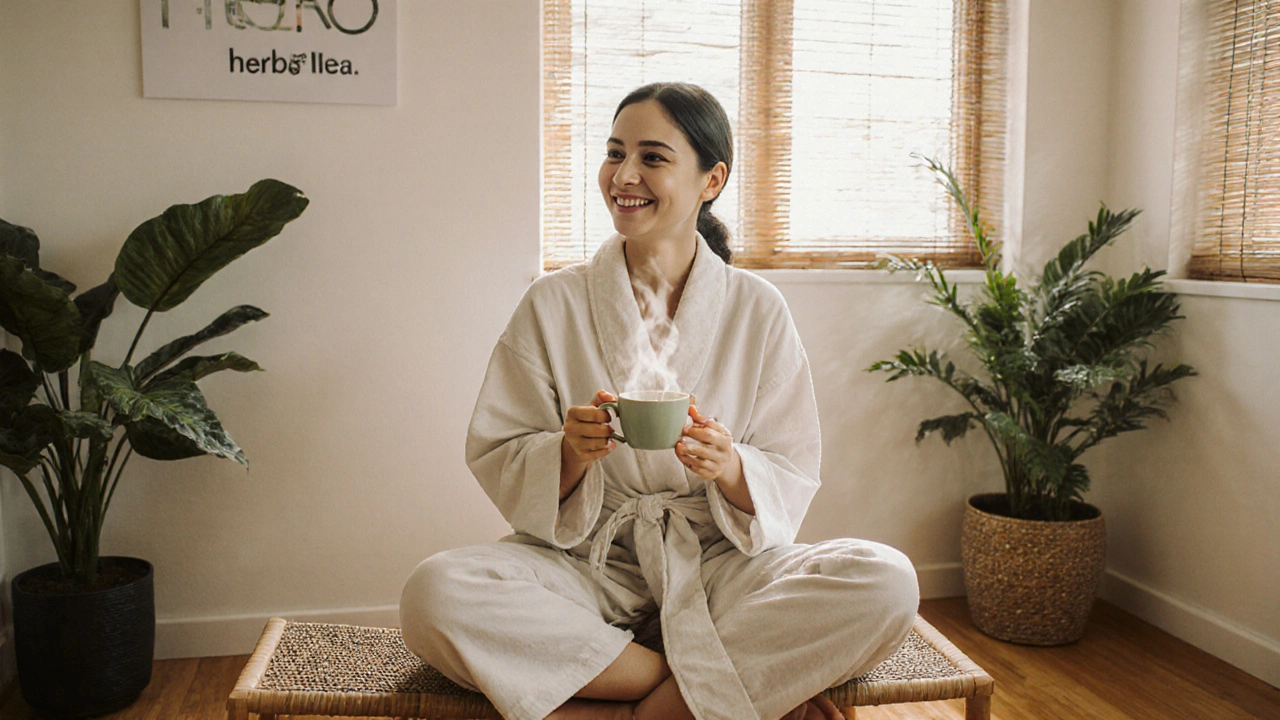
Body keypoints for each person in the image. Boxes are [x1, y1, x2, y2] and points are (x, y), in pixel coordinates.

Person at [399, 82, 918, 720]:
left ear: (711, 179)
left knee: (886, 580)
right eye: (615, 153)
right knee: (434, 594)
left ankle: (628, 708)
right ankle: (694, 685)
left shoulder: (758, 309)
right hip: (590, 561)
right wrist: (568, 453)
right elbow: (500, 446)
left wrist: (730, 467)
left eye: (652, 157)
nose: (624, 175)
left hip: (720, 562)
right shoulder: (553, 302)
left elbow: (791, 463)